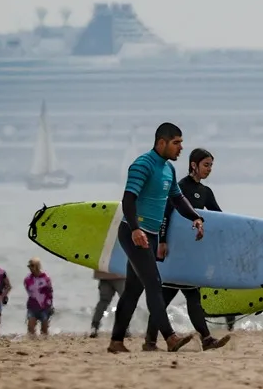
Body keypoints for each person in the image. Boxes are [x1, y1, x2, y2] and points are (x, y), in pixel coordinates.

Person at [107, 122, 206, 354]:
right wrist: (135, 229)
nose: (180, 148)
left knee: (133, 290)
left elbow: (178, 199)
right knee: (154, 283)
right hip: (135, 234)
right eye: (176, 143)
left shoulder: (168, 169)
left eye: (181, 142)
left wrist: (196, 217)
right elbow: (128, 199)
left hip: (149, 235)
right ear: (161, 142)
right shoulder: (143, 165)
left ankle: (116, 342)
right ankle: (170, 338)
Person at [143, 148, 232, 351]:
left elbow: (218, 217)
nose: (209, 169)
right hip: (174, 251)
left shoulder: (206, 192)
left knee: (171, 297)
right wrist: (163, 242)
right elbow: (165, 214)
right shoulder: (179, 187)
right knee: (185, 296)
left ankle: (150, 341)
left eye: (211, 165)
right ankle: (206, 339)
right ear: (194, 164)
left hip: (191, 254)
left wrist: (228, 239)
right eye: (206, 164)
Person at [90, 270, 127, 338]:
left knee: (103, 302)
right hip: (120, 274)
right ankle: (124, 328)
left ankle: (94, 326)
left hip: (103, 274)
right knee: (125, 301)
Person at [24, 257, 54, 336]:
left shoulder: (46, 278)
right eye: (29, 266)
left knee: (44, 330)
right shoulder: (27, 279)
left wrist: (50, 306)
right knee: (30, 327)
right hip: (32, 306)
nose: (30, 268)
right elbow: (29, 291)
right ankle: (31, 344)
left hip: (45, 307)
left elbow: (50, 292)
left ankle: (44, 345)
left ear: (38, 266)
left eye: (32, 265)